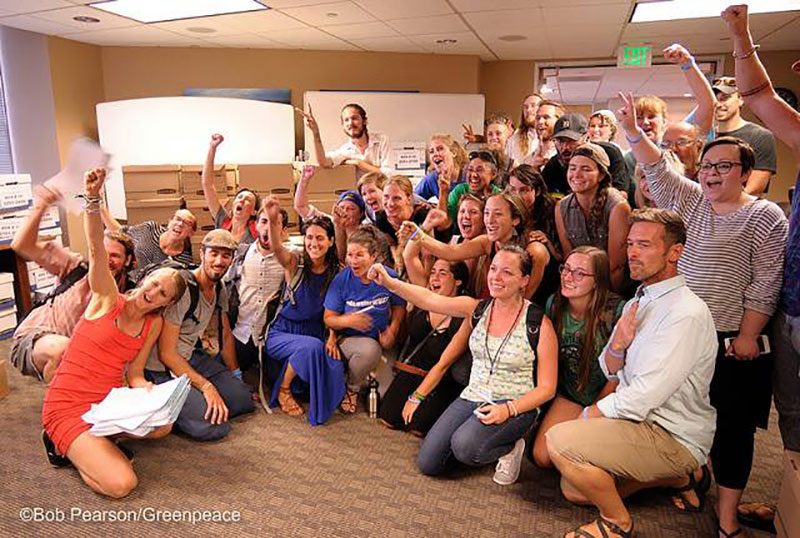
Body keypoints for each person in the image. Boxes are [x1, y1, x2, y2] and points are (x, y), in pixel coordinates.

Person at [620, 89, 788, 538]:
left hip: (734, 338)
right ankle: (695, 478)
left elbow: (767, 281)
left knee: (733, 426)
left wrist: (750, 334)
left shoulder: (766, 216)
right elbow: (657, 168)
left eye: (724, 166)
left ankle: (727, 516)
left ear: (746, 172)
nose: (712, 173)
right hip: (684, 332)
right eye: (707, 166)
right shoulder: (693, 201)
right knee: (690, 413)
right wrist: (634, 133)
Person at [546, 208, 718, 538]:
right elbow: (608, 368)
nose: (633, 253)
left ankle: (617, 522)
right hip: (639, 421)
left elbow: (644, 396)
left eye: (645, 245)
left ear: (675, 253)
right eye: (629, 244)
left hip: (670, 434)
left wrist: (590, 414)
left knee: (559, 441)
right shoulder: (640, 298)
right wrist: (618, 346)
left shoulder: (685, 314)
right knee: (574, 489)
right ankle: (680, 478)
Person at [41, 167, 187, 498]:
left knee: (163, 425)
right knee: (122, 484)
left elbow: (134, 373)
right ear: (146, 277)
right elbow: (95, 246)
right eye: (154, 283)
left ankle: (96, 442)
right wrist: (92, 199)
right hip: (68, 403)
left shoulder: (154, 324)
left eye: (163, 293)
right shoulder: (108, 297)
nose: (153, 292)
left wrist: (147, 392)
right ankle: (69, 448)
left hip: (107, 403)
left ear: (166, 303)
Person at [369, 244, 558, 485]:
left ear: (524, 280)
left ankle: (509, 447)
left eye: (507, 272)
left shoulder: (538, 324)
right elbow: (428, 299)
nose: (496, 277)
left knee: (464, 447)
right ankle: (480, 437)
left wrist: (508, 409)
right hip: (473, 395)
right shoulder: (477, 309)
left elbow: (547, 388)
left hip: (514, 402)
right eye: (494, 269)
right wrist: (390, 283)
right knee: (429, 463)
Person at [722, 4, 800, 533]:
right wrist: (740, 33)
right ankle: (792, 507)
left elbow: (757, 100)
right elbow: (758, 98)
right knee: (792, 418)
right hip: (793, 308)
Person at [11, 184, 136, 382]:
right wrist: (42, 205)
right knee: (64, 351)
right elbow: (21, 244)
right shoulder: (75, 266)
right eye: (101, 253)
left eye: (115, 256)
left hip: (81, 351)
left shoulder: (128, 290)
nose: (105, 260)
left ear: (128, 261)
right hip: (37, 338)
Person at [146, 229, 254, 441]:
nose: (219, 261)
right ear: (202, 253)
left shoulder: (219, 287)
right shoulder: (184, 288)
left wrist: (236, 376)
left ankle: (194, 403)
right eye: (213, 253)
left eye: (226, 255)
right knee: (214, 426)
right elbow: (166, 354)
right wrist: (206, 386)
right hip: (162, 367)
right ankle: (165, 409)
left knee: (243, 400)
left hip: (191, 358)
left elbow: (225, 336)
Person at [531, 246, 624, 468]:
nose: (568, 277)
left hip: (609, 397)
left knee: (583, 462)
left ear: (597, 281)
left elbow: (620, 374)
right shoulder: (555, 304)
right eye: (566, 269)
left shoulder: (616, 311)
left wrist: (596, 410)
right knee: (542, 457)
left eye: (579, 273)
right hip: (572, 392)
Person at [259, 196, 344, 425]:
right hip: (282, 331)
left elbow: (337, 309)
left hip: (316, 330)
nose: (313, 243)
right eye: (309, 238)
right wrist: (272, 216)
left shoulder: (336, 270)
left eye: (320, 238)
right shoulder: (294, 261)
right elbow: (276, 248)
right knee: (311, 348)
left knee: (333, 363)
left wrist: (333, 336)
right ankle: (284, 391)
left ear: (330, 241)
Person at [378, 257, 469, 435]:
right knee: (387, 419)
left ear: (458, 280)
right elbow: (410, 256)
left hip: (439, 381)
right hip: (409, 372)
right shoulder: (424, 298)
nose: (435, 277)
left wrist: (417, 396)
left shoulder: (465, 312)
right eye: (433, 272)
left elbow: (445, 364)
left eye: (443, 273)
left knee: (417, 428)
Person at [323, 226, 406, 414]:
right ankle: (351, 388)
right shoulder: (342, 280)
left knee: (388, 402)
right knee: (370, 350)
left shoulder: (388, 276)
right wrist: (348, 321)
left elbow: (399, 306)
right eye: (350, 255)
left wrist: (393, 329)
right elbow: (328, 319)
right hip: (349, 341)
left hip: (383, 342)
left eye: (359, 255)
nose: (353, 261)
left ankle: (362, 376)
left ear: (374, 255)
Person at [415, 192, 550, 302]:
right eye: (486, 213)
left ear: (515, 220)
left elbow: (523, 299)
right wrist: (417, 234)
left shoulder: (535, 251)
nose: (489, 220)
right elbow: (450, 252)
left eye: (497, 214)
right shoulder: (487, 242)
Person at [224, 201, 289, 383]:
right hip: (241, 334)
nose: (267, 228)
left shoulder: (290, 258)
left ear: (283, 230)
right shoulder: (240, 254)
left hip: (271, 337)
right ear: (256, 224)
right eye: (263, 221)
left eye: (274, 223)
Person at [555, 143, 632, 292]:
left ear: (601, 175)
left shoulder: (618, 207)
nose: (576, 175)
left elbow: (616, 268)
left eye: (586, 169)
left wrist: (602, 302)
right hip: (579, 285)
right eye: (572, 168)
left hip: (612, 289)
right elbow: (569, 258)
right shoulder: (561, 207)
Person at [712, 76, 778, 196]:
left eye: (724, 99)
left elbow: (756, 187)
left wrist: (723, 203)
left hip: (743, 210)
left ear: (740, 99)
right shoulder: (706, 136)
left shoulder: (760, 136)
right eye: (714, 100)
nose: (718, 105)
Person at [540, 113, 630, 197]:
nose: (565, 147)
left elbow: (621, 196)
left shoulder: (610, 153)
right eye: (560, 141)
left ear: (586, 137)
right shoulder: (553, 165)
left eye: (571, 140)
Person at [101, 205, 196, 281]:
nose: (180, 224)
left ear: (191, 233)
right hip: (121, 282)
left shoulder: (184, 261)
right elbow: (121, 232)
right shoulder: (150, 229)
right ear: (170, 222)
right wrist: (99, 204)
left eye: (187, 223)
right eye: (177, 219)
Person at [295, 164, 366, 262]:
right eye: (341, 207)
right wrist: (304, 181)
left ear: (361, 213)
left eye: (351, 209)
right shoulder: (329, 221)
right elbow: (301, 207)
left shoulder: (366, 229)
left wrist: (347, 228)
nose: (344, 212)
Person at [300, 103, 391, 179]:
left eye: (354, 118)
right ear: (343, 125)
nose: (350, 123)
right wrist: (315, 132)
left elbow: (389, 174)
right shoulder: (345, 151)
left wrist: (358, 163)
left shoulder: (382, 140)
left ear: (364, 121)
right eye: (346, 120)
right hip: (361, 198)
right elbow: (323, 162)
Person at [201, 133, 261, 244]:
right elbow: (207, 184)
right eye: (239, 197)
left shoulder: (257, 232)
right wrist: (212, 148)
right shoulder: (223, 221)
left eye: (248, 200)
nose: (242, 200)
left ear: (253, 212)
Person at [445, 150, 503, 222]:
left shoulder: (499, 197)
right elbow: (445, 221)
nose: (474, 175)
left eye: (479, 170)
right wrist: (443, 191)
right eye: (470, 170)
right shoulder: (459, 191)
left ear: (493, 174)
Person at [414, 134, 468, 202]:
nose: (435, 154)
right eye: (431, 152)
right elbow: (413, 198)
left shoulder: (468, 174)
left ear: (453, 152)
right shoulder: (432, 179)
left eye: (440, 149)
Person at [507, 94, 542, 167]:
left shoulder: (551, 139)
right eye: (525, 107)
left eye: (533, 105)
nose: (528, 110)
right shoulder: (514, 139)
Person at [529, 100, 565, 171]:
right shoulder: (531, 155)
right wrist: (534, 168)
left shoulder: (565, 154)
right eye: (538, 118)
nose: (540, 122)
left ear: (559, 121)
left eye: (546, 117)